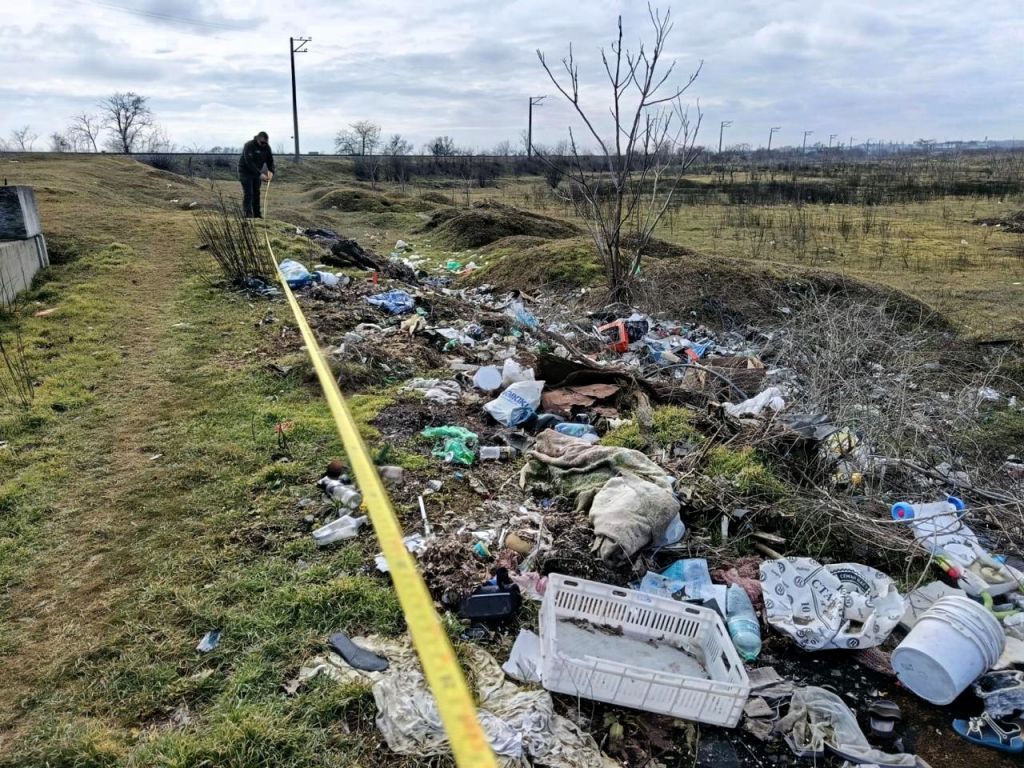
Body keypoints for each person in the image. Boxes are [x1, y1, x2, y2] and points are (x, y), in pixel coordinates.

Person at [238, 131, 275, 218]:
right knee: (249, 193)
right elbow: (249, 162)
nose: (264, 145)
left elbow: (270, 161)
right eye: (262, 143)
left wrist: (271, 171)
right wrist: (259, 174)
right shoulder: (249, 145)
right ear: (258, 139)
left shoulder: (267, 147)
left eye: (265, 143)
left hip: (257, 172)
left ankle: (257, 215)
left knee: (256, 193)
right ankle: (248, 214)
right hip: (245, 171)